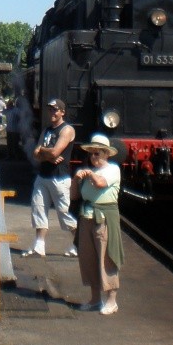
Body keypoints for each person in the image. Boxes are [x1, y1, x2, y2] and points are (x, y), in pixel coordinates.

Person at [71, 133, 123, 315]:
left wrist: (90, 174)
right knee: (89, 257)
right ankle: (94, 299)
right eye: (91, 154)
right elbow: (74, 196)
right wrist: (76, 180)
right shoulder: (88, 172)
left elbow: (101, 183)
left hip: (104, 217)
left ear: (106, 154)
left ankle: (112, 301)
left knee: (107, 257)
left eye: (97, 154)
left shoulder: (112, 169)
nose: (93, 157)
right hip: (86, 216)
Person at [22, 98, 78, 258]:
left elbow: (54, 152)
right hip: (43, 175)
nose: (52, 113)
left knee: (64, 213)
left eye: (55, 110)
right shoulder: (47, 130)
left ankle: (79, 243)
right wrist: (48, 154)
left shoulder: (67, 130)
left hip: (59, 177)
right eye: (50, 110)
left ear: (62, 112)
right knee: (38, 208)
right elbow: (36, 153)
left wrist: (45, 153)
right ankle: (39, 246)